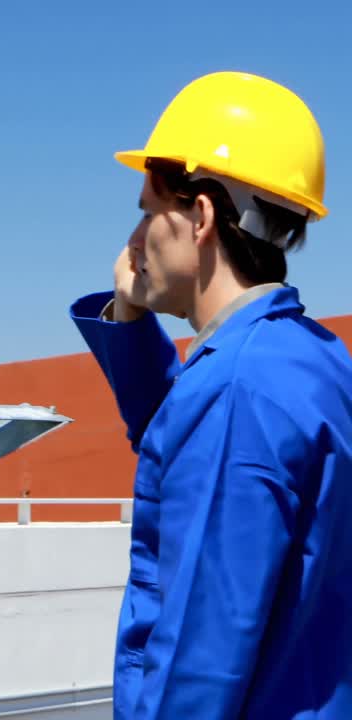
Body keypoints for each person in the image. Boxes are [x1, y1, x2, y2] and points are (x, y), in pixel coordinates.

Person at [69, 71, 352, 718]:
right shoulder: (309, 359)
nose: (134, 240)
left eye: (146, 212)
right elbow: (183, 446)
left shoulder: (236, 390)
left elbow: (203, 660)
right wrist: (130, 317)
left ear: (199, 217)